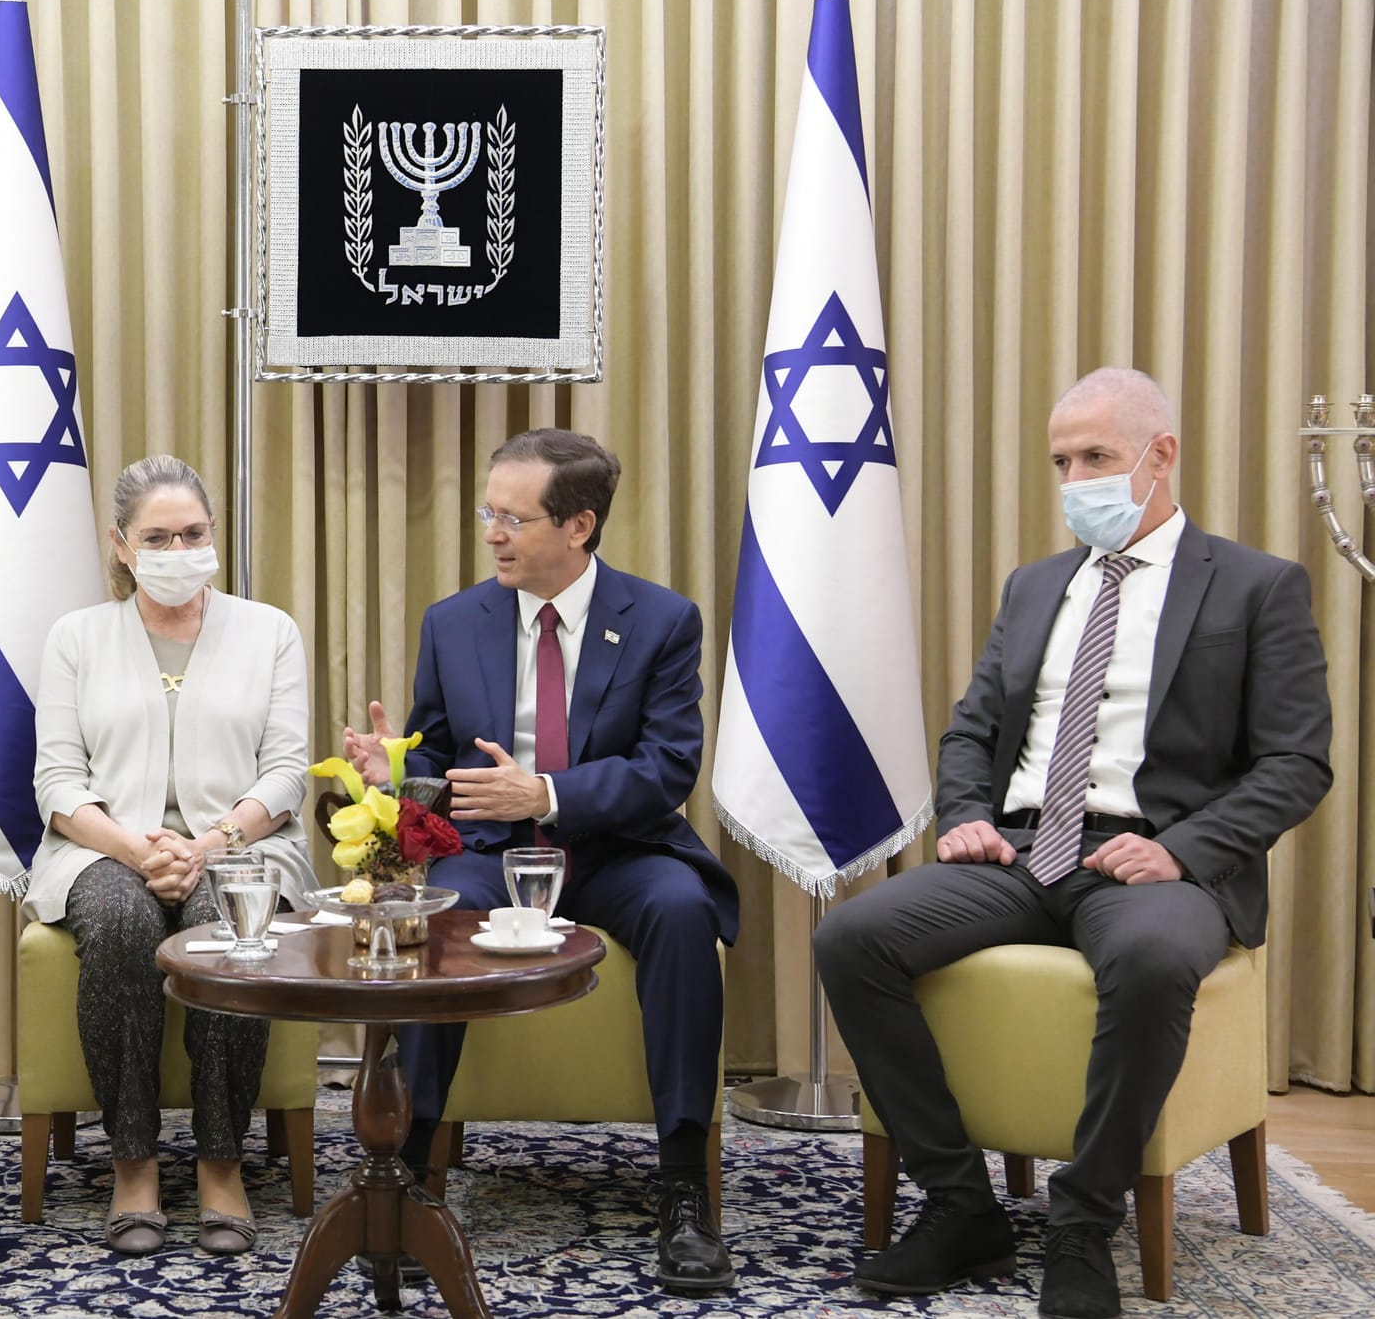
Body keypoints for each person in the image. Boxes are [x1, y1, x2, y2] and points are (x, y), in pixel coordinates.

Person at [814, 368, 1332, 1319]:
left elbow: (1297, 763)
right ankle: (962, 1202)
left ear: (1159, 454)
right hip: (1018, 851)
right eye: (1061, 461)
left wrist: (1181, 849)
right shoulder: (1035, 585)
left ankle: (1084, 1220)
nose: (1075, 479)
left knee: (1148, 958)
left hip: (1152, 859)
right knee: (853, 937)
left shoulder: (1257, 586)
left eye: (1095, 456)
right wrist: (965, 812)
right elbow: (972, 729)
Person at [343, 428, 741, 1296]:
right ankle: (407, 1169)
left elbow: (668, 766)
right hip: (491, 852)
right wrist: (396, 772)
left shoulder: (662, 620)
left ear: (579, 526)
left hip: (618, 849)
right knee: (435, 917)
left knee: (681, 910)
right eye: (489, 512)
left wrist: (549, 795)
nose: (492, 533)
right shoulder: (453, 622)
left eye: (512, 518)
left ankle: (683, 1184)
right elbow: (435, 763)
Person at [26, 454, 314, 1257]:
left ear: (213, 533)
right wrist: (137, 846)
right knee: (121, 922)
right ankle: (135, 1161)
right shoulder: (77, 637)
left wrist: (209, 844)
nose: (178, 547)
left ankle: (223, 1162)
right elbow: (56, 778)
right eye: (158, 536)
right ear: (121, 545)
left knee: (224, 920)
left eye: (193, 532)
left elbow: (288, 770)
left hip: (242, 845)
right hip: (106, 847)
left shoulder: (270, 630)